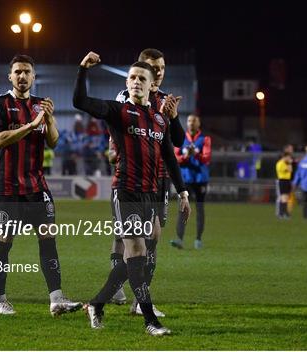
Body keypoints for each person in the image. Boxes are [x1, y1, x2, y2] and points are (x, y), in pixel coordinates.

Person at [73, 51, 190, 336]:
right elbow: (81, 102)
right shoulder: (118, 110)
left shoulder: (160, 120)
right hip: (125, 191)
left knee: (138, 255)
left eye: (142, 79)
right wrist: (83, 71)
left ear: (152, 86)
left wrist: (183, 193)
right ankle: (150, 320)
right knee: (136, 250)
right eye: (132, 78)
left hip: (151, 194)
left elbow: (171, 158)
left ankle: (97, 304)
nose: (136, 82)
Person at [0, 54, 81, 316]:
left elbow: (53, 141)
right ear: (10, 76)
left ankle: (56, 299)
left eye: (27, 72)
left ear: (33, 76)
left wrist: (49, 119)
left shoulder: (41, 105)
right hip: (8, 187)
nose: (22, 76)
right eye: (17, 71)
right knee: (4, 240)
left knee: (48, 238)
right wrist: (30, 125)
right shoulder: (0, 103)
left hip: (37, 187)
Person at [109, 48, 185, 315]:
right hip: (131, 177)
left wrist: (173, 117)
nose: (159, 72)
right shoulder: (126, 95)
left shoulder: (166, 100)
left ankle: (139, 301)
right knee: (125, 235)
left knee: (153, 238)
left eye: (162, 67)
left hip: (159, 179)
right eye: (154, 67)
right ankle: (116, 283)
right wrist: (112, 150)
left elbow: (178, 141)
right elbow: (115, 129)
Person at [170, 114, 211, 249]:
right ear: (186, 123)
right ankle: (179, 239)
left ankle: (198, 239)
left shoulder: (205, 139)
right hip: (185, 179)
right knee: (182, 209)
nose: (191, 123)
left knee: (199, 209)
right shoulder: (181, 139)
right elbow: (175, 158)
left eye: (194, 121)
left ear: (199, 124)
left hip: (200, 180)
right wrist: (186, 156)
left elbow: (206, 158)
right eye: (189, 121)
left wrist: (196, 155)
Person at [275, 151, 293, 218]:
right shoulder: (280, 163)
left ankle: (284, 213)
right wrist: (290, 163)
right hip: (283, 181)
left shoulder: (285, 163)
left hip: (287, 181)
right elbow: (289, 170)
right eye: (288, 157)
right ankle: (282, 213)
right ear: (284, 157)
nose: (289, 158)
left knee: (286, 198)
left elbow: (290, 170)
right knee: (283, 198)